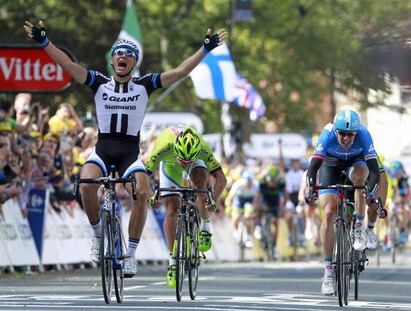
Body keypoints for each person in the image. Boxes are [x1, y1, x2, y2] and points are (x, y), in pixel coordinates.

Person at [24, 20, 226, 278]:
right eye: (118, 53)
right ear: (112, 62)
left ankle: (130, 254)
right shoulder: (98, 82)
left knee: (142, 192)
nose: (123, 57)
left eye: (129, 55)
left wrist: (205, 49)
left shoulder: (145, 84)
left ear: (134, 63)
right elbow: (67, 65)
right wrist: (44, 42)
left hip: (130, 152)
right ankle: (98, 235)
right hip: (103, 148)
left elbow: (180, 72)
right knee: (86, 183)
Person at [306, 110, 380, 296]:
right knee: (329, 211)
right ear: (336, 131)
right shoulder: (327, 133)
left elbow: (374, 171)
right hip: (330, 164)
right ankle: (328, 272)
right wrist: (310, 189)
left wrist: (368, 191)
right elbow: (313, 167)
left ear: (356, 133)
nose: (346, 139)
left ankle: (358, 229)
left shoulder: (363, 134)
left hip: (356, 163)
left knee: (359, 178)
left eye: (350, 135)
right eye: (342, 134)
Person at [144, 125, 227, 288]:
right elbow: (143, 176)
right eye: (183, 160)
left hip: (197, 161)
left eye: (187, 160)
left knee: (201, 187)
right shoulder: (164, 146)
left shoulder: (202, 148)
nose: (184, 163)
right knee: (172, 210)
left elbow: (222, 179)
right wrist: (150, 196)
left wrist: (213, 200)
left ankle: (204, 226)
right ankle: (173, 261)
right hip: (169, 162)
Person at [226, 170, 261, 249]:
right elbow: (230, 197)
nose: (248, 183)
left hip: (250, 200)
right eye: (247, 181)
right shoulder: (238, 184)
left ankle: (249, 238)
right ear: (243, 180)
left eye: (250, 181)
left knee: (248, 217)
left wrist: (254, 210)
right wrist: (228, 207)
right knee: (236, 216)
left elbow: (256, 199)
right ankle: (236, 231)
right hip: (239, 200)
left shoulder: (255, 185)